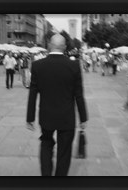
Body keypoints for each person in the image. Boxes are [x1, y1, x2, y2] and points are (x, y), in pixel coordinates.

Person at [26, 34, 88, 176]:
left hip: (46, 116)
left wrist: (29, 118)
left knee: (46, 145)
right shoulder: (73, 65)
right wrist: (83, 118)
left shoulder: (37, 66)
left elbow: (33, 94)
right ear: (65, 47)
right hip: (67, 117)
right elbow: (79, 94)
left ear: (49, 45)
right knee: (64, 153)